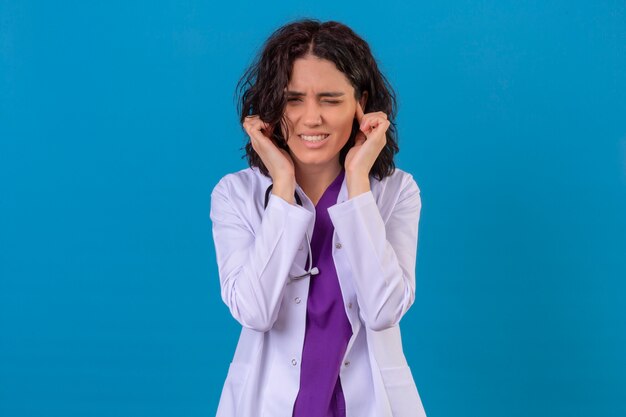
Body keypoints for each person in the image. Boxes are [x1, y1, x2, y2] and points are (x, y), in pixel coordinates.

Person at [210, 19, 427, 417]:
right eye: (293, 100)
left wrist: (359, 181)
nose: (312, 118)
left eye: (330, 99)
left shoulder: (397, 192)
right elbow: (253, 312)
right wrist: (282, 186)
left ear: (361, 103)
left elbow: (384, 311)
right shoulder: (235, 194)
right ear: (272, 108)